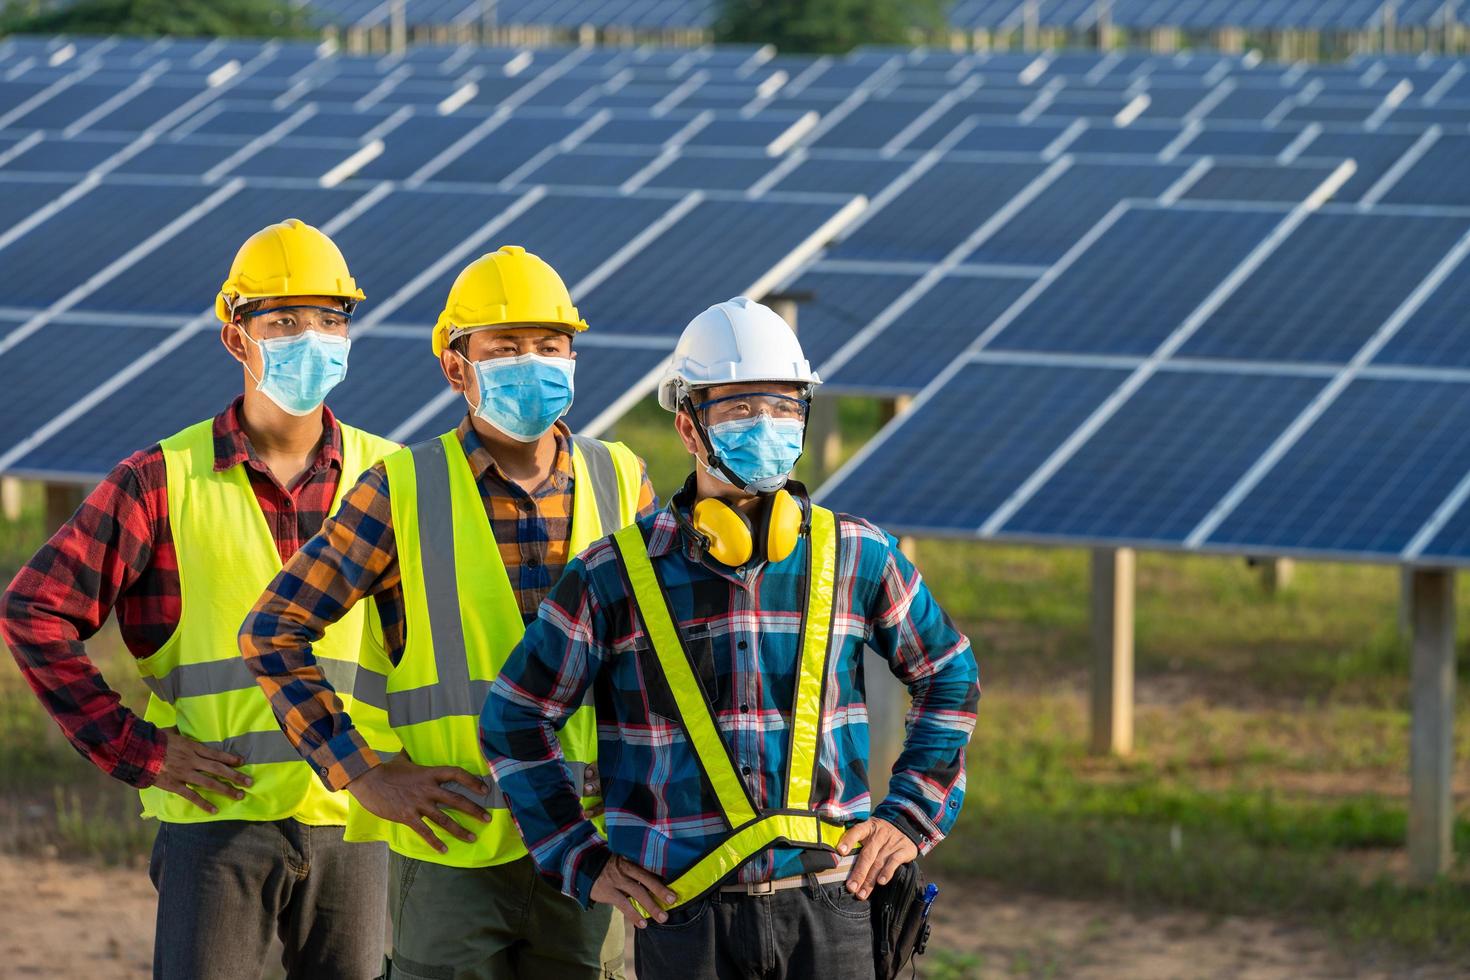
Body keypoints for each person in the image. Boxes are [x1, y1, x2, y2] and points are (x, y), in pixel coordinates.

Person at [480, 296, 980, 980]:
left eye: (783, 407)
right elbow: (514, 719)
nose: (766, 425)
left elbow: (949, 673)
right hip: (685, 921)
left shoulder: (858, 553)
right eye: (740, 409)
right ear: (688, 426)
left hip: (834, 906)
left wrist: (911, 814)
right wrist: (580, 858)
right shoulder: (612, 577)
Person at [239, 245, 656, 980]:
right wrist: (363, 775)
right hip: (453, 854)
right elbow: (272, 633)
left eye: (549, 345)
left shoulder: (622, 479)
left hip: (591, 849)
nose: (531, 363)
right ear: (455, 366)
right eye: (504, 348)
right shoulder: (401, 488)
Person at [0, 219, 398, 980]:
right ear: (235, 338)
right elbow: (34, 611)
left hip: (357, 821)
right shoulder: (161, 479)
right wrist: (136, 750)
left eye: (329, 319)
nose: (310, 337)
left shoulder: (394, 478)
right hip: (216, 828)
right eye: (282, 321)